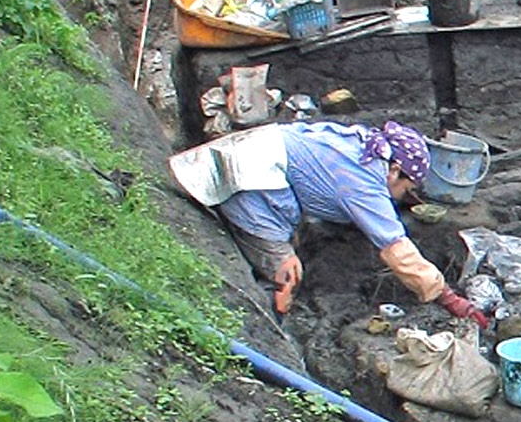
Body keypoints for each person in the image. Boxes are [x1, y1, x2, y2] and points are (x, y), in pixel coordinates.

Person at [205, 119, 490, 326]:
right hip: (247, 180)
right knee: (287, 272)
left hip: (249, 152)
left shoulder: (363, 142)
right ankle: (273, 328)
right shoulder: (364, 185)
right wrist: (448, 297)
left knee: (294, 237)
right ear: (394, 170)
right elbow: (400, 253)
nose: (406, 195)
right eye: (407, 187)